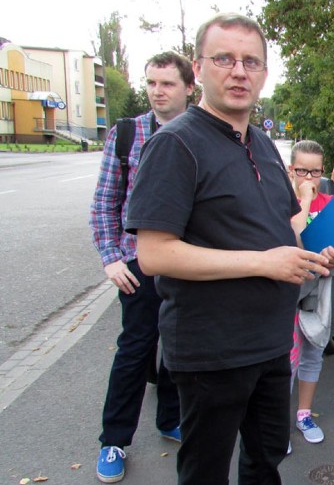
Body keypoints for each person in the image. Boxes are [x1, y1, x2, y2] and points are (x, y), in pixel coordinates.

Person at [125, 13, 334, 485]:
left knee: (265, 461)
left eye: (251, 61)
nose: (239, 71)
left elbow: (284, 226)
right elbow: (155, 254)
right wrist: (264, 263)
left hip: (270, 343)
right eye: (224, 58)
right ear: (199, 69)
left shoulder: (262, 143)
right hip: (211, 351)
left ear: (264, 74)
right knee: (206, 472)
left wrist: (316, 251)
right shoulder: (176, 144)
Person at [89, 51, 194, 483]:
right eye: (151, 83)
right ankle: (114, 440)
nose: (157, 92)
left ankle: (170, 418)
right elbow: (104, 202)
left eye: (166, 83)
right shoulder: (127, 133)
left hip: (191, 262)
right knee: (135, 350)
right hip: (138, 263)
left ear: (190, 87)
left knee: (178, 348)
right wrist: (112, 259)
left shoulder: (203, 132)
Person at [286, 140, 334, 445]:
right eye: (302, 171)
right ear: (291, 169)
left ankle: (304, 414)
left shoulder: (331, 203)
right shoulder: (279, 199)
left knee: (312, 352)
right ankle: (278, 423)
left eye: (315, 172)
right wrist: (304, 198)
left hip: (318, 291)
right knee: (286, 360)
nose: (309, 179)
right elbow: (294, 232)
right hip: (286, 293)